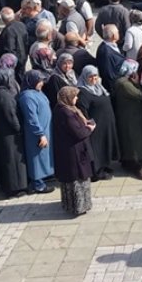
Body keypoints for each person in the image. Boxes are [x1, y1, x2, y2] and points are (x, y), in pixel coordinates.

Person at [0, 70, 29, 197]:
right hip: (9, 133)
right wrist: (18, 127)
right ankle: (17, 188)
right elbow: (10, 114)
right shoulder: (4, 94)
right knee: (14, 161)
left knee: (6, 160)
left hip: (0, 131)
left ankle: (8, 187)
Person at [52, 86, 95, 217]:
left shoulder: (61, 109)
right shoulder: (66, 113)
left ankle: (70, 204)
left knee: (69, 180)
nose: (76, 98)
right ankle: (79, 206)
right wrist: (90, 128)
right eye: (74, 96)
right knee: (78, 179)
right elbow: (78, 133)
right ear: (68, 97)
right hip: (74, 152)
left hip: (67, 151)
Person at [76, 66, 119, 180]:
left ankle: (104, 166)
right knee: (97, 148)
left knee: (105, 145)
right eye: (90, 76)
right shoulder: (83, 91)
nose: (93, 78)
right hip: (96, 126)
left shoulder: (99, 87)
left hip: (106, 123)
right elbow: (83, 110)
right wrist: (89, 124)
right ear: (85, 77)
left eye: (95, 75)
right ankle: (96, 172)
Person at [18, 71, 55, 194]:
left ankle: (44, 177)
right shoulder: (27, 97)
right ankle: (37, 184)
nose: (42, 83)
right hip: (36, 134)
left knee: (44, 156)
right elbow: (31, 118)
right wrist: (40, 134)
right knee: (36, 159)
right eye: (39, 81)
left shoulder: (37, 92)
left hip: (45, 130)